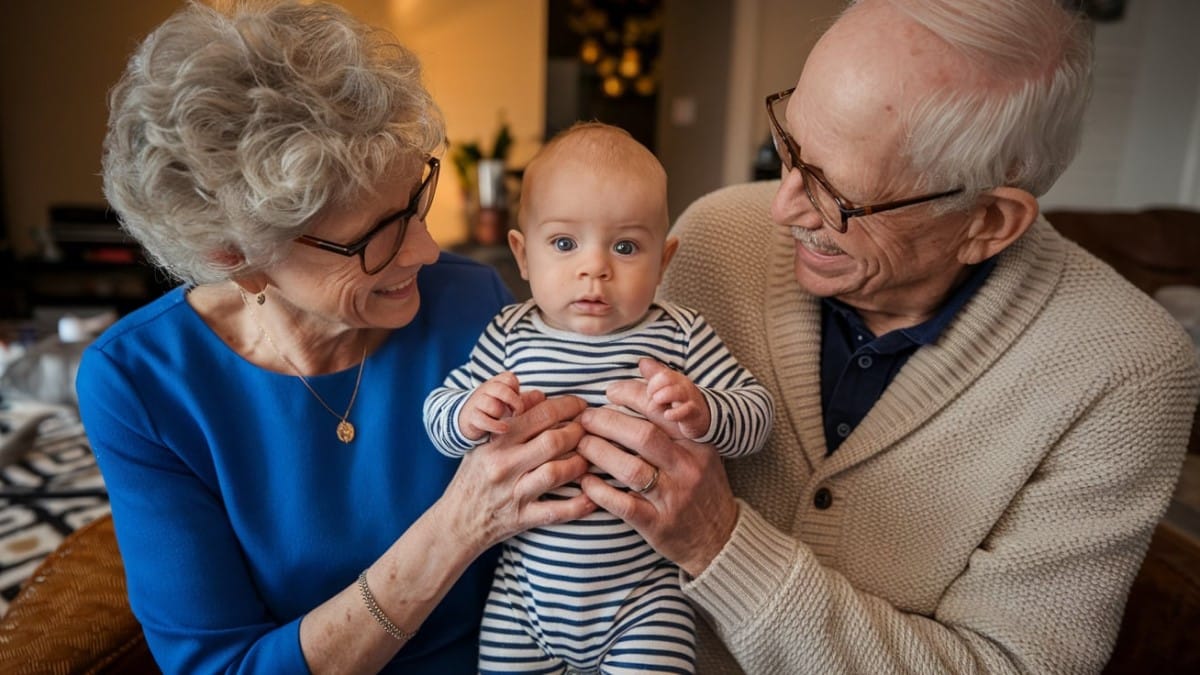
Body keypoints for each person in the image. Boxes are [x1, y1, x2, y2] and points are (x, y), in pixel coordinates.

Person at [572, 1, 1200, 673]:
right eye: (788, 147)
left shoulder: (1127, 368)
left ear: (987, 220)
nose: (781, 208)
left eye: (835, 194)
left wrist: (722, 545)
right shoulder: (716, 236)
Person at [76, 3, 597, 672]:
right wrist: (457, 527)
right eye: (378, 235)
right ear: (238, 255)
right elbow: (221, 665)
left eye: (416, 198)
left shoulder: (474, 304)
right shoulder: (141, 382)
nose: (429, 249)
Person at [422, 122, 773, 673]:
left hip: (645, 600)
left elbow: (757, 415)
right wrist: (467, 415)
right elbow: (437, 412)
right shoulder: (510, 334)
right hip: (523, 600)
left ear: (664, 260)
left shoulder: (680, 334)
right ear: (522, 253)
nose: (595, 267)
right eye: (564, 243)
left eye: (626, 246)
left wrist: (706, 411)